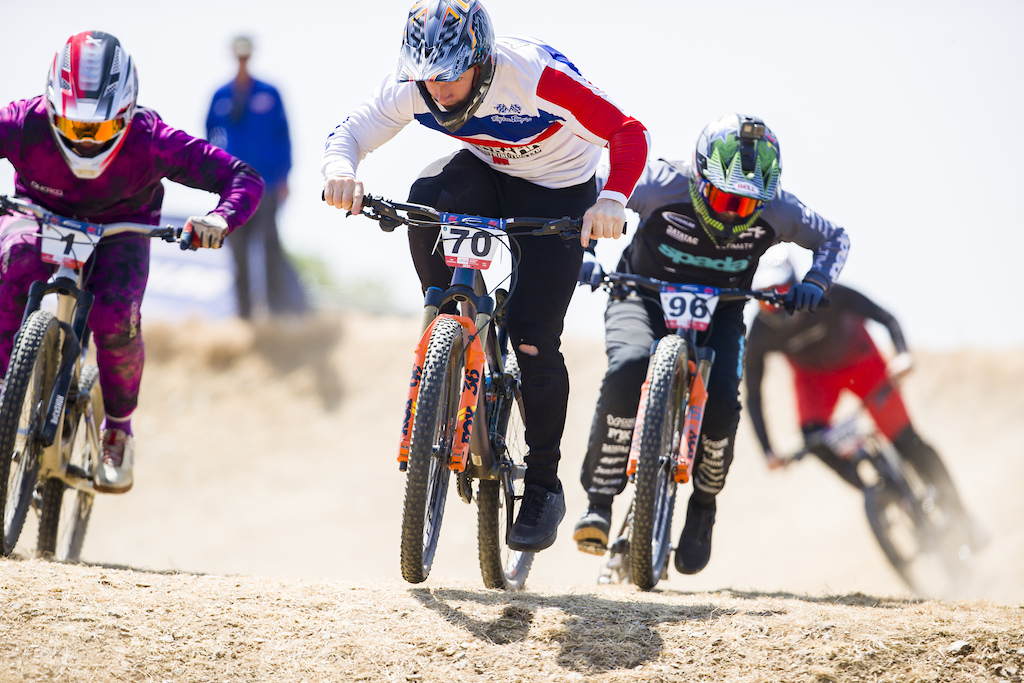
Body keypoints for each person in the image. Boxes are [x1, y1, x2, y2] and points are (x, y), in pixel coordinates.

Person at [322, 0, 650, 552]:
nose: (438, 90)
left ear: (480, 57)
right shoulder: (414, 83)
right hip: (488, 172)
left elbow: (627, 132)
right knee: (424, 198)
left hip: (561, 194)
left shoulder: (535, 77)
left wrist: (613, 198)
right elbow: (350, 132)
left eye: (450, 75)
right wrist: (340, 172)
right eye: (426, 77)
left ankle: (544, 484)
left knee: (532, 336)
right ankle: (448, 313)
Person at [573, 113, 850, 575]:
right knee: (629, 367)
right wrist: (583, 250)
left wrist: (817, 282)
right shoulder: (661, 181)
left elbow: (835, 238)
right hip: (641, 294)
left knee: (721, 402)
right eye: (723, 197)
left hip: (723, 308)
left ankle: (703, 509)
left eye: (746, 207)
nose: (730, 214)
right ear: (700, 178)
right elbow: (589, 187)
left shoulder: (780, 209)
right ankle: (600, 501)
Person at [0, 31, 264, 493]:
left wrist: (220, 220)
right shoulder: (22, 123)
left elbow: (241, 176)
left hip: (120, 230)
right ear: (50, 107)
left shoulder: (152, 140)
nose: (84, 141)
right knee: (12, 269)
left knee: (117, 315)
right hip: (38, 216)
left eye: (99, 129)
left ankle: (118, 430)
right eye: (73, 124)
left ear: (125, 115)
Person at [743, 251, 976, 538]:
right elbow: (753, 394)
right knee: (814, 439)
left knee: (906, 440)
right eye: (766, 299)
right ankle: (879, 493)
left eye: (782, 292)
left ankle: (964, 517)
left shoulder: (829, 293)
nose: (776, 304)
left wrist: (902, 354)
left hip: (861, 361)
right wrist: (768, 450)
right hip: (814, 380)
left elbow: (886, 317)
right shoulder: (759, 334)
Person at [206, 35, 307, 319]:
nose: (242, 59)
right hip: (233, 186)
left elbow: (284, 135)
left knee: (269, 245)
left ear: (251, 55)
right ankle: (244, 316)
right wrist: (213, 174)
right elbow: (208, 137)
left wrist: (285, 177)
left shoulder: (270, 92)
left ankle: (277, 312)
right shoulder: (220, 95)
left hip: (268, 184)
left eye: (245, 54)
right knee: (237, 251)